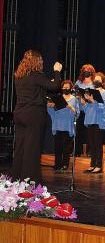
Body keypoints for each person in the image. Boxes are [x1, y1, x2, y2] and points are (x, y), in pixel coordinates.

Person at [13, 50, 62, 183]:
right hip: (33, 115)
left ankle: (17, 178)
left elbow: (38, 88)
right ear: (37, 62)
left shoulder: (19, 75)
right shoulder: (36, 75)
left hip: (20, 113)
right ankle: (30, 182)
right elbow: (55, 86)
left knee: (20, 148)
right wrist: (57, 71)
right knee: (32, 149)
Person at [81, 72, 105, 174]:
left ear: (102, 82)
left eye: (99, 80)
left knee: (98, 144)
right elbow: (87, 110)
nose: (96, 81)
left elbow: (103, 108)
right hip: (90, 120)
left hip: (98, 121)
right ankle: (92, 164)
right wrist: (84, 103)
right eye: (95, 80)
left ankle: (99, 165)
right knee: (92, 144)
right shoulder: (91, 92)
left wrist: (93, 101)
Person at [47, 80, 79, 172]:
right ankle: (57, 164)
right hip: (57, 125)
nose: (65, 89)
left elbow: (77, 113)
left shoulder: (74, 99)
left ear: (71, 88)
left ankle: (65, 164)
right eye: (64, 88)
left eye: (67, 87)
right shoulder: (57, 98)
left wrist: (71, 107)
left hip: (67, 126)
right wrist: (50, 106)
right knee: (57, 147)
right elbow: (51, 112)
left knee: (66, 148)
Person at [74, 64, 95, 156]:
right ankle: (77, 151)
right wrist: (77, 95)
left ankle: (90, 151)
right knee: (78, 130)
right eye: (84, 70)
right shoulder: (79, 82)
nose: (86, 72)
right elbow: (74, 93)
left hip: (90, 110)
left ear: (91, 72)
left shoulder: (94, 83)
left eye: (88, 70)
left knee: (90, 131)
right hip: (80, 110)